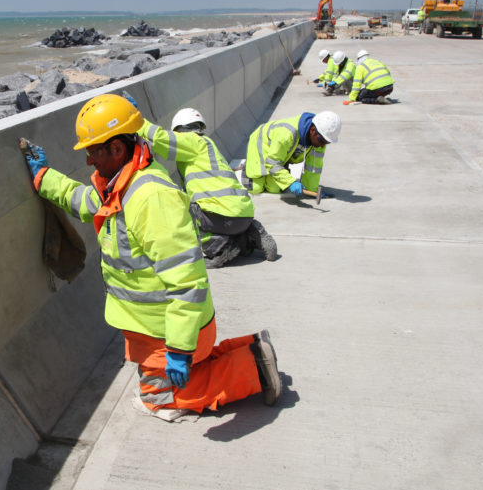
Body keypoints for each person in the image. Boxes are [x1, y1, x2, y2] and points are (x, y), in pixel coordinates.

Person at [22, 93, 283, 417]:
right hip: (153, 328)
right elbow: (86, 203)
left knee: (157, 400)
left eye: (92, 151)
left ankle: (255, 369)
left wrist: (178, 348)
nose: (89, 160)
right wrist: (44, 177)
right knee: (161, 383)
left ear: (117, 149)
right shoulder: (120, 184)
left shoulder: (151, 197)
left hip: (168, 332)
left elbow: (187, 282)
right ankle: (253, 349)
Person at [133, 101, 278, 267]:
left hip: (222, 217)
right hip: (243, 215)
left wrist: (135, 120)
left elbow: (159, 138)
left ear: (180, 130)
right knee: (203, 207)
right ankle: (248, 233)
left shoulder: (192, 141)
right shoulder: (208, 145)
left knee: (180, 207)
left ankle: (221, 249)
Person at [245, 111, 341, 198]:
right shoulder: (286, 134)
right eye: (321, 141)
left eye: (327, 142)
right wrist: (290, 182)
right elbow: (273, 163)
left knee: (274, 190)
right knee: (256, 189)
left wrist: (312, 190)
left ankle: (281, 167)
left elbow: (314, 167)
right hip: (261, 145)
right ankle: (246, 167)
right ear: (312, 131)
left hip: (278, 152)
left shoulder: (319, 139)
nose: (322, 145)